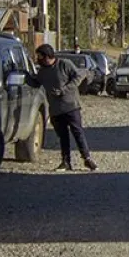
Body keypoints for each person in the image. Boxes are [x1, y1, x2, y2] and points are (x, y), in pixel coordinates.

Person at [25, 44, 97, 172]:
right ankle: (65, 162)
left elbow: (78, 76)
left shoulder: (65, 64)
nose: (38, 59)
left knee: (77, 132)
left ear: (47, 56)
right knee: (63, 136)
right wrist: (25, 75)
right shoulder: (42, 72)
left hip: (71, 106)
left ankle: (87, 158)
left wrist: (64, 90)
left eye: (40, 56)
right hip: (55, 109)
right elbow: (35, 83)